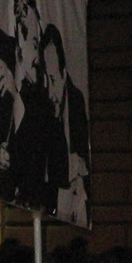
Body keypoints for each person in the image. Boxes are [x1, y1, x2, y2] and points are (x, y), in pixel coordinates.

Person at [0, 0, 51, 208]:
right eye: (26, 31)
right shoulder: (1, 54)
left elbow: (39, 128)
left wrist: (17, 94)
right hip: (8, 184)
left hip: (31, 183)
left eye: (36, 38)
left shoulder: (42, 79)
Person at [40, 23, 90, 223]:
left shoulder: (76, 100)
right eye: (46, 79)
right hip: (55, 196)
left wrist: (79, 163)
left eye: (53, 78)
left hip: (74, 196)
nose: (50, 88)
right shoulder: (42, 103)